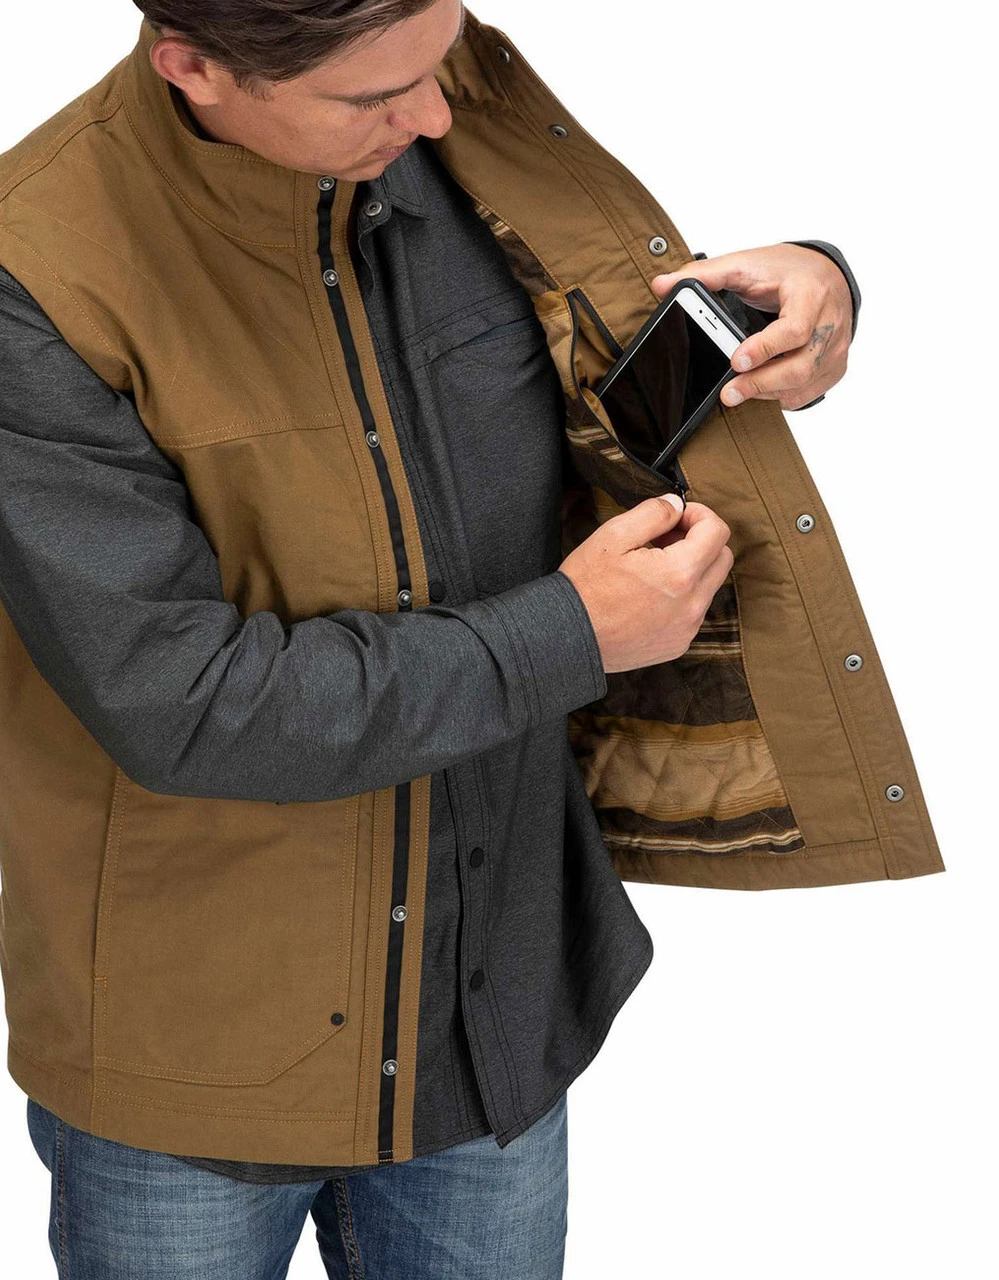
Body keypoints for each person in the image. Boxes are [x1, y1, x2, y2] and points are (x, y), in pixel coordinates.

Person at [0, 2, 870, 1276]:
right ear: (193, 66)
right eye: (373, 98)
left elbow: (604, 397)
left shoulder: (447, 121)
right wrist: (570, 631)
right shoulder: (33, 270)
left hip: (488, 1012)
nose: (436, 116)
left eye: (438, 60)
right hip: (195, 1057)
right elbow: (184, 700)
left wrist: (804, 294)